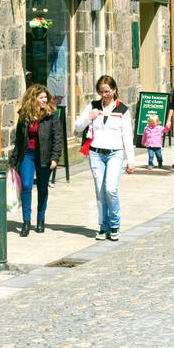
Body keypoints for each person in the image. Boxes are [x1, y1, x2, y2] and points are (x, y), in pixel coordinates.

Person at [74, 75, 136, 241]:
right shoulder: (93, 106)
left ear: (114, 90)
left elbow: (127, 136)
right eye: (101, 92)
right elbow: (77, 127)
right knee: (100, 192)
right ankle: (103, 226)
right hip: (95, 153)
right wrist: (90, 117)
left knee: (110, 188)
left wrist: (131, 160)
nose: (105, 95)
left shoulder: (122, 110)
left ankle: (115, 224)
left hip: (115, 153)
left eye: (107, 91)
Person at [8, 83, 60, 237]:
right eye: (41, 97)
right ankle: (26, 221)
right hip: (27, 155)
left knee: (43, 188)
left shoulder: (51, 115)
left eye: (45, 97)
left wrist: (55, 157)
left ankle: (41, 219)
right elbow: (18, 140)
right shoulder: (24, 115)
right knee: (26, 185)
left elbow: (57, 138)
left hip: (45, 156)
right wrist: (13, 161)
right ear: (33, 99)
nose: (44, 100)